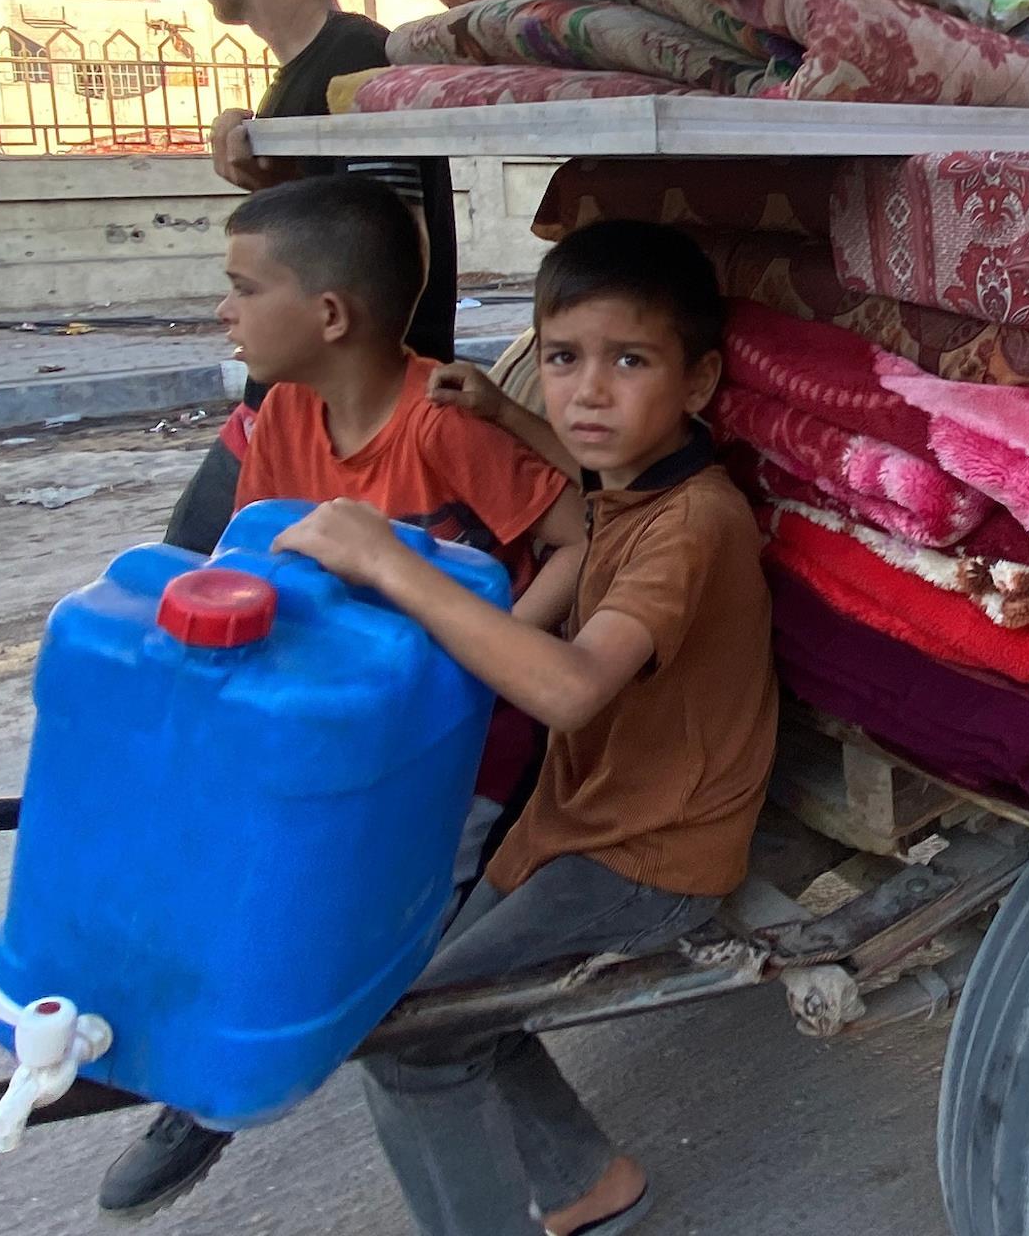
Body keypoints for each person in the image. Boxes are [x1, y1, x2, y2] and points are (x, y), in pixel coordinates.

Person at [271, 218, 776, 1236]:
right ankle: (588, 1182)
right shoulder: (632, 482)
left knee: (412, 1041)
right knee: (429, 999)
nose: (587, 392)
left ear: (699, 380)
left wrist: (389, 560)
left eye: (628, 361)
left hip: (651, 855)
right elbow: (586, 489)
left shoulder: (694, 525)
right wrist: (503, 410)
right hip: (573, 820)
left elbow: (573, 689)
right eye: (562, 358)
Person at [97, 177, 584, 1220]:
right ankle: (204, 1062)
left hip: (459, 747)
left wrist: (487, 656)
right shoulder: (281, 417)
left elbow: (578, 539)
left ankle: (218, 1077)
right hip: (334, 726)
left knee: (366, 952)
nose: (225, 310)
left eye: (244, 288)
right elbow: (257, 570)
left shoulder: (442, 426)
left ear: (328, 314)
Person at [159, 0, 458, 557]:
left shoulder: (355, 65)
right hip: (305, 417)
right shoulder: (304, 79)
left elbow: (396, 256)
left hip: (349, 430)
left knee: (190, 577)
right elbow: (337, 236)